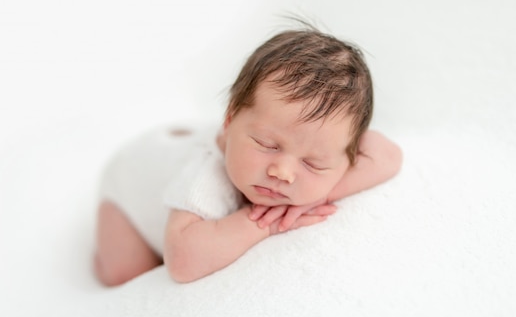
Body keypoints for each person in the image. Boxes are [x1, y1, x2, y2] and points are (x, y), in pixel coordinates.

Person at [94, 22, 403, 285]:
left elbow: (388, 155)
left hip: (189, 140)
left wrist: (319, 195)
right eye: (268, 145)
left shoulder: (323, 144)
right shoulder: (204, 179)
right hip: (131, 181)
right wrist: (265, 222)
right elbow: (181, 260)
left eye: (313, 163)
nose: (283, 172)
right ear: (229, 121)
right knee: (125, 273)